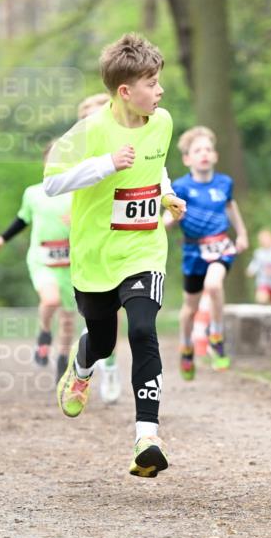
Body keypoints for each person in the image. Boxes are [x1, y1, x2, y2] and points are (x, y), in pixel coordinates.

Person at [43, 33, 186, 478]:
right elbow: (51, 182)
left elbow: (155, 162)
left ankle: (147, 437)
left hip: (144, 248)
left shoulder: (161, 121)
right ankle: (81, 368)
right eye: (152, 82)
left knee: (143, 329)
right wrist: (105, 163)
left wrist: (166, 194)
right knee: (103, 340)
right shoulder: (89, 131)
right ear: (126, 91)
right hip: (95, 256)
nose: (160, 91)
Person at [0, 144, 75, 382]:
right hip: (42, 259)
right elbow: (22, 219)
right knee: (51, 300)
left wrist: (78, 222)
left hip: (72, 264)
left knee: (68, 320)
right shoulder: (33, 193)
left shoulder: (80, 194)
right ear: (45, 164)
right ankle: (45, 332)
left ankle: (63, 364)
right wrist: (0, 239)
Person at [168, 126, 248, 378]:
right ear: (187, 159)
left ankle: (216, 336)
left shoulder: (224, 183)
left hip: (221, 245)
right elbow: (167, 219)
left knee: (214, 286)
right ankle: (186, 346)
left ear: (215, 156)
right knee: (190, 308)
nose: (204, 154)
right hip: (193, 251)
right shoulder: (179, 187)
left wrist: (242, 234)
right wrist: (167, 222)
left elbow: (230, 207)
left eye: (208, 149)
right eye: (197, 150)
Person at [76, 92, 121, 405]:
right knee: (94, 320)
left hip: (121, 243)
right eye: (88, 118)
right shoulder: (76, 158)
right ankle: (87, 362)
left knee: (121, 310)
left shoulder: (124, 152)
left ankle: (112, 370)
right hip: (86, 247)